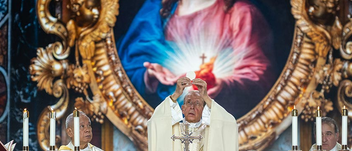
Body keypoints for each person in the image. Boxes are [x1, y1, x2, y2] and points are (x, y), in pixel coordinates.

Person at [117, 0, 277, 118]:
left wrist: (223, 87)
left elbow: (259, 80)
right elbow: (121, 72)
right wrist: (149, 77)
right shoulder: (155, 11)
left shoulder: (241, 13)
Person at [148, 77, 238, 151]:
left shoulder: (210, 131)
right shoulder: (173, 130)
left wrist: (206, 97)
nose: (192, 107)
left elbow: (230, 124)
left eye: (197, 103)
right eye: (189, 102)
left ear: (204, 110)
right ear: (183, 109)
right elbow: (155, 122)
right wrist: (176, 94)